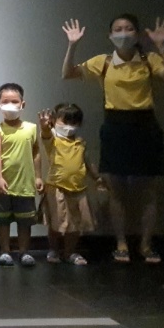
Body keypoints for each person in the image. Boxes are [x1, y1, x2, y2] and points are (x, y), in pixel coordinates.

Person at [61, 15, 164, 263]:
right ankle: (121, 243)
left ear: (137, 34)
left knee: (149, 192)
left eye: (128, 29)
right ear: (110, 35)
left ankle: (146, 245)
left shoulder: (148, 59)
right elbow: (68, 73)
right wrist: (72, 45)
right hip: (115, 126)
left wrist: (162, 45)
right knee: (115, 190)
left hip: (145, 126)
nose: (123, 33)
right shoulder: (103, 62)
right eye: (118, 29)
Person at [38, 104, 103, 265]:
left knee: (75, 224)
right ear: (54, 121)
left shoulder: (80, 143)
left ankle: (70, 252)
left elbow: (87, 162)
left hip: (78, 189)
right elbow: (45, 134)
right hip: (57, 188)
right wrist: (45, 127)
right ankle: (54, 250)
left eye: (74, 122)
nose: (69, 126)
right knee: (56, 223)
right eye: (65, 121)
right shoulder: (53, 140)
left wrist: (97, 178)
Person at [0, 83, 42, 267]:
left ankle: (24, 252)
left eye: (14, 101)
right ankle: (5, 251)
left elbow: (36, 153)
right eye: (5, 101)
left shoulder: (31, 128)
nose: (10, 105)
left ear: (22, 104)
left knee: (25, 221)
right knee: (2, 221)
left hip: (25, 184)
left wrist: (38, 176)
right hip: (2, 185)